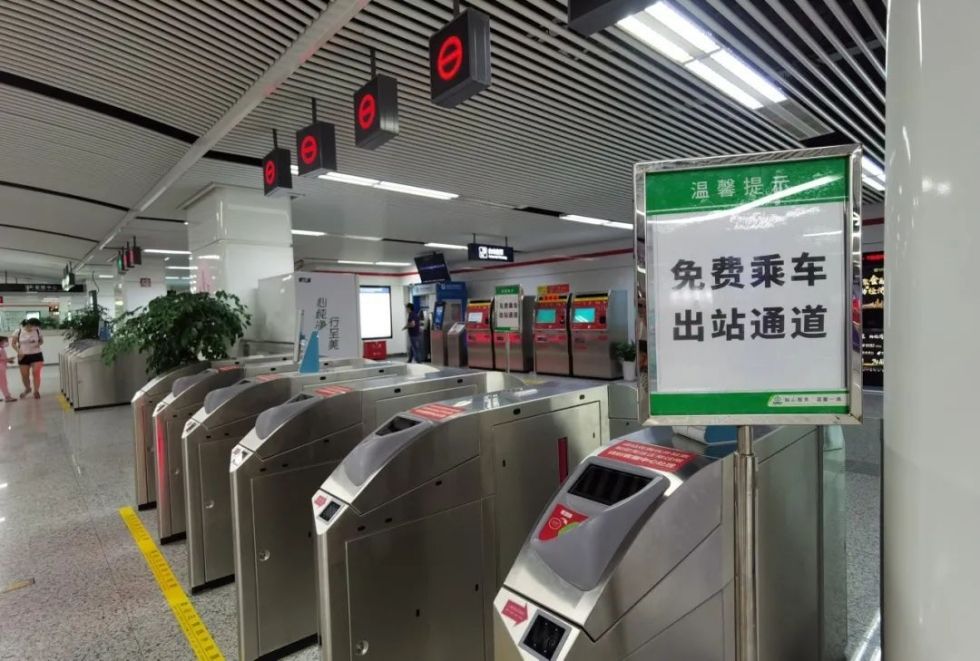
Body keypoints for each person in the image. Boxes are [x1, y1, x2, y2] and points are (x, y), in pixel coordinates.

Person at [12, 318, 44, 399]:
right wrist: (18, 351)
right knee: (24, 375)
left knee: (36, 372)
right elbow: (13, 344)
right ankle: (28, 388)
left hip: (36, 354)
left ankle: (36, 391)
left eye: (37, 327)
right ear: (29, 324)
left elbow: (41, 341)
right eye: (35, 326)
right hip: (23, 355)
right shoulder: (18, 331)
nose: (35, 328)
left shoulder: (38, 331)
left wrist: (38, 344)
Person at [0, 335, 16, 402]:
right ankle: (7, 397)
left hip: (2, 366)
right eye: (6, 341)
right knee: (3, 382)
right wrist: (8, 359)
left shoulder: (2, 349)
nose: (7, 342)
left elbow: (2, 358)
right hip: (1, 368)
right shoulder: (1, 349)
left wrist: (8, 360)